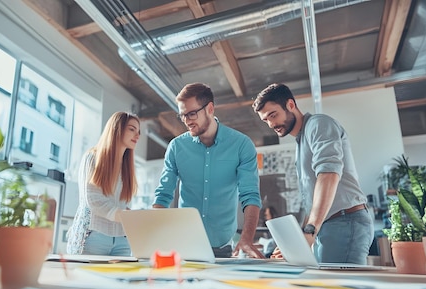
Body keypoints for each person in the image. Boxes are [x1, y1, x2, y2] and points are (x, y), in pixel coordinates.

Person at [252, 83, 373, 264]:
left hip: (345, 222)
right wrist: (299, 237)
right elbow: (313, 198)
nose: (271, 124)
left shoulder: (318, 124)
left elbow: (328, 175)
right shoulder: (301, 142)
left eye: (273, 115)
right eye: (266, 120)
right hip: (328, 225)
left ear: (290, 105)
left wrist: (309, 232)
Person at [153, 83, 264, 259]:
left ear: (210, 108)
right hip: (185, 244)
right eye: (182, 115)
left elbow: (250, 195)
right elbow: (164, 194)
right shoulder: (176, 147)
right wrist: (154, 235)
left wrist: (247, 238)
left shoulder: (241, 145)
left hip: (222, 246)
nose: (187, 121)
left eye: (191, 113)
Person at [66, 112, 140, 256]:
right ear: (116, 129)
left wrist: (130, 216)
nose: (137, 135)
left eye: (138, 131)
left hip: (122, 240)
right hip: (94, 236)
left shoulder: (127, 167)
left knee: (119, 279)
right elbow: (93, 199)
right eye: (132, 129)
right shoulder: (92, 157)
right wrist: (123, 215)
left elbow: (124, 205)